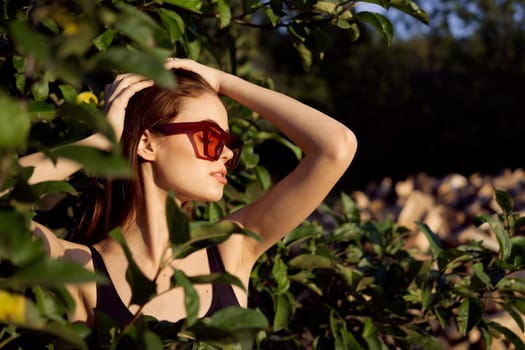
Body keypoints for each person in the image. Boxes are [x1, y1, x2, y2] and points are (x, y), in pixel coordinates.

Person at [20, 58, 357, 328]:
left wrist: (222, 81)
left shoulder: (230, 250)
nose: (226, 154)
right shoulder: (79, 268)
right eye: (211, 138)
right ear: (147, 143)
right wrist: (101, 141)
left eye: (230, 145)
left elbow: (336, 147)